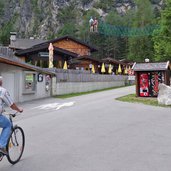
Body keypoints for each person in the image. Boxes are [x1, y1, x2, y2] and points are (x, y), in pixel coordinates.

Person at [0, 76, 23, 155]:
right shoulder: (2, 90)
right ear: (1, 82)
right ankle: (1, 147)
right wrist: (18, 109)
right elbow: (11, 104)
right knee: (8, 125)